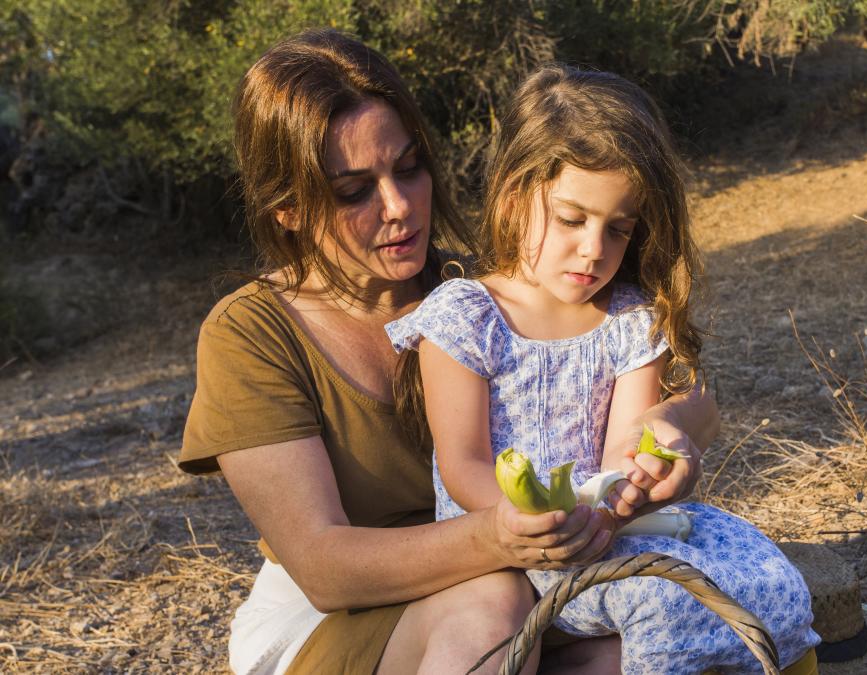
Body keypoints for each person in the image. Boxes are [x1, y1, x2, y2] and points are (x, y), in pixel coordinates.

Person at [177, 30, 718, 675]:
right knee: (491, 604)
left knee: (667, 640)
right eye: (354, 190)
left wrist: (670, 432)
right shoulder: (252, 334)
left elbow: (697, 402)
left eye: (409, 168)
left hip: (530, 583)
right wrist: (498, 536)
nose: (400, 206)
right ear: (289, 209)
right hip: (340, 618)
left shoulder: (476, 293)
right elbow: (325, 570)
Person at [386, 64, 820, 674]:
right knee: (662, 601)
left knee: (772, 581)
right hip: (509, 539)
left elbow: (625, 442)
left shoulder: (627, 318)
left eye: (618, 229)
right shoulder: (465, 316)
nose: (594, 248)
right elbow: (464, 467)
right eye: (571, 219)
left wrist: (645, 472)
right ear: (515, 200)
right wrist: (533, 519)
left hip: (605, 526)